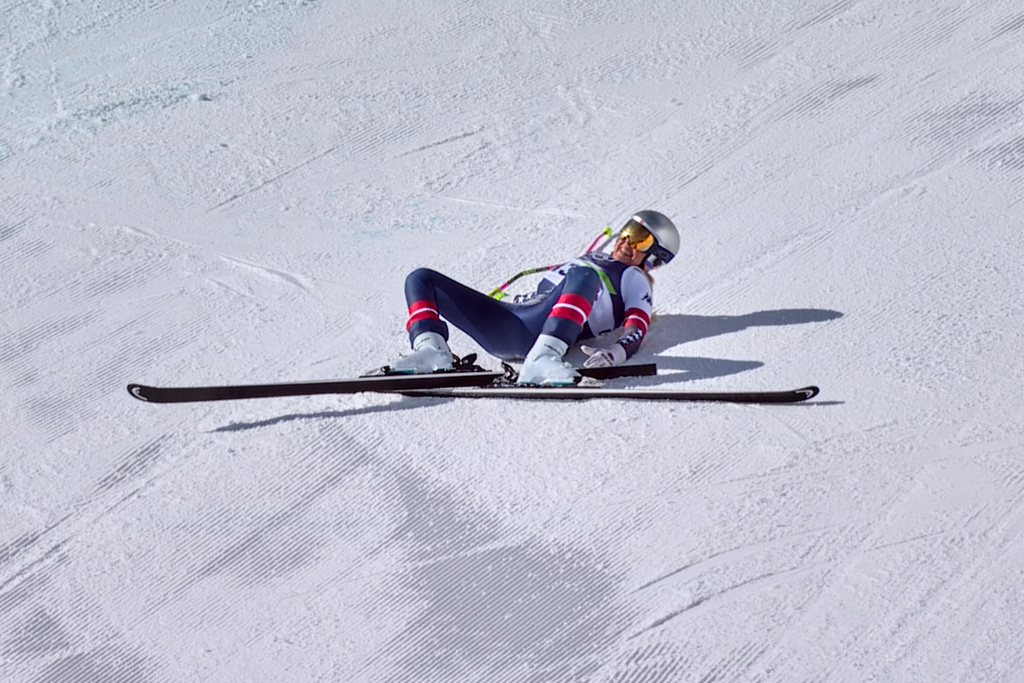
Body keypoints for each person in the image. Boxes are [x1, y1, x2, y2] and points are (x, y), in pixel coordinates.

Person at [390, 210, 679, 385]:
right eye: (628, 231)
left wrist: (615, 353)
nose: (627, 241)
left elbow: (637, 327)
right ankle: (432, 351)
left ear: (654, 257)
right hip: (507, 321)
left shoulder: (634, 278)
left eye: (641, 239)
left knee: (585, 275)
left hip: (540, 332)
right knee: (421, 278)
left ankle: (545, 356)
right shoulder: (594, 258)